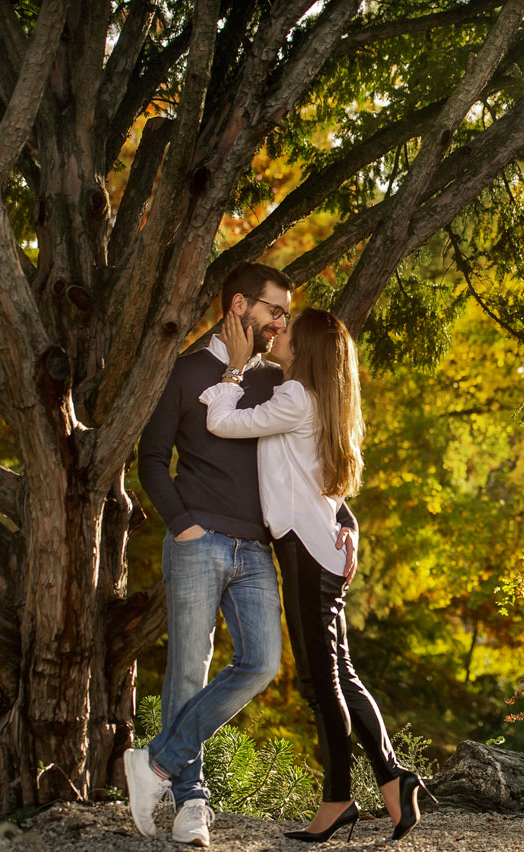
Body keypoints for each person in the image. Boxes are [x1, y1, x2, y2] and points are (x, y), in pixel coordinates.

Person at [130, 263, 355, 847]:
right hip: (198, 539)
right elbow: (151, 459)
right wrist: (181, 523)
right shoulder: (184, 373)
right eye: (274, 310)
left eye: (285, 313)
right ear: (239, 306)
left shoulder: (277, 380)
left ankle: (154, 761)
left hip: (259, 548)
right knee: (187, 668)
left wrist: (344, 517)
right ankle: (191, 803)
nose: (281, 322)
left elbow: (314, 454)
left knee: (261, 665)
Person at [199, 306, 433, 843]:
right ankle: (394, 777)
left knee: (320, 684)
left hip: (306, 552)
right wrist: (346, 521)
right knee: (342, 676)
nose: (277, 335)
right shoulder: (322, 400)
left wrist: (233, 370)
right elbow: (325, 481)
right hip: (319, 548)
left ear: (304, 349)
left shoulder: (295, 397)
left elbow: (221, 421)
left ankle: (337, 800)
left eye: (288, 332)